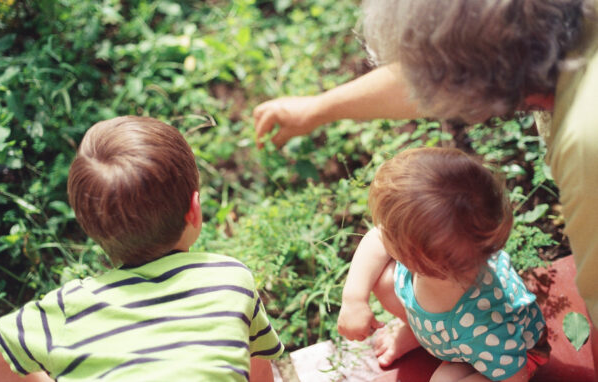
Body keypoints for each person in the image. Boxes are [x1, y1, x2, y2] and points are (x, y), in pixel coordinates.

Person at [254, 0, 598, 369]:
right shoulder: (561, 30)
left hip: (492, 351)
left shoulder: (586, 143)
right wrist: (316, 109)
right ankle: (419, 330)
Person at [0, 116, 283, 381]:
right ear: (194, 210)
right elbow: (259, 374)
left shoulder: (68, 309)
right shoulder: (229, 280)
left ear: (90, 228)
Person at [338, 147, 550, 381]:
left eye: (389, 233)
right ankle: (416, 331)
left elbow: (515, 375)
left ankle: (429, 337)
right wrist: (353, 299)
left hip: (508, 359)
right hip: (451, 334)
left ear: (414, 257)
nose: (381, 234)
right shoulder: (440, 260)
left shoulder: (484, 326)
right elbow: (376, 240)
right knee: (379, 277)